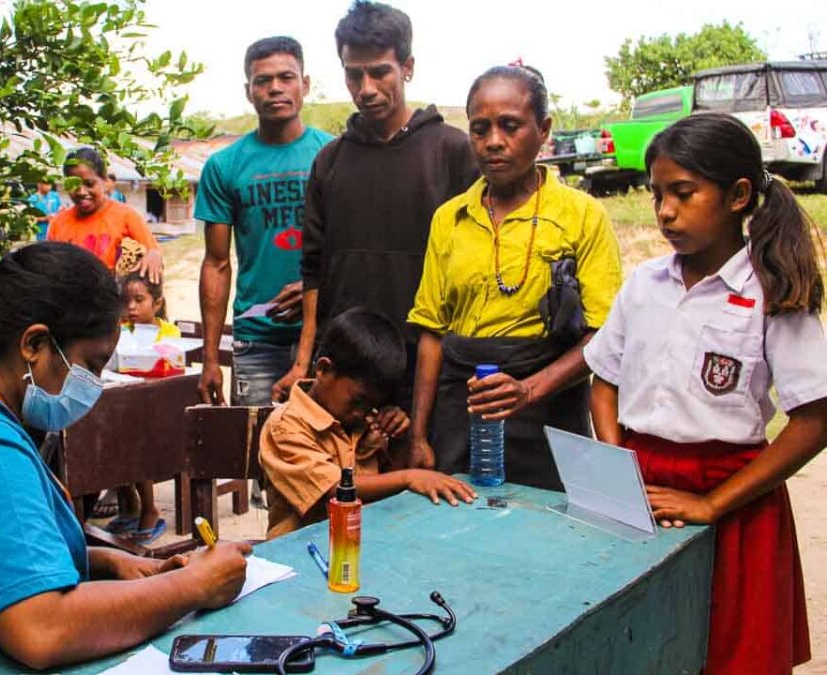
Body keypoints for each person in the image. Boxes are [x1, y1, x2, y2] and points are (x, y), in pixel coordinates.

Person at [0, 242, 250, 672]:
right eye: (90, 366)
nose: (93, 384)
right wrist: (192, 586)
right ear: (34, 344)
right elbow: (41, 628)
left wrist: (102, 561)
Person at [584, 112, 827, 674]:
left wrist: (714, 503)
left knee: (731, 653)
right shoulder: (645, 284)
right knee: (640, 643)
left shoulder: (772, 291)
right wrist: (619, 464)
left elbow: (815, 418)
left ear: (738, 195)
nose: (665, 211)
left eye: (683, 193)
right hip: (643, 489)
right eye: (656, 195)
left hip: (734, 496)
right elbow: (604, 379)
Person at [407, 66, 622, 489]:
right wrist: (419, 434)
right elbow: (431, 333)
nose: (493, 142)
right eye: (480, 129)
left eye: (510, 126)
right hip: (461, 408)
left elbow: (605, 334)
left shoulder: (581, 215)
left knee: (545, 536)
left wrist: (529, 390)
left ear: (543, 130)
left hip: (548, 409)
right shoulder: (450, 219)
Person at [276, 1, 478, 428]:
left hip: (427, 367)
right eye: (353, 74)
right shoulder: (329, 162)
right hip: (348, 374)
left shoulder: (453, 151)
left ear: (407, 67)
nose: (366, 87)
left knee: (420, 484)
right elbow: (313, 271)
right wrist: (304, 361)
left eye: (379, 71)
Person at [196, 36, 334, 409]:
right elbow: (216, 263)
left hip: (327, 337)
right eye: (263, 80)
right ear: (248, 91)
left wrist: (311, 285)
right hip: (258, 338)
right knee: (255, 453)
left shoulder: (335, 155)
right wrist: (210, 359)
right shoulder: (224, 166)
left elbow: (355, 246)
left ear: (305, 84)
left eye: (286, 77)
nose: (275, 88)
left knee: (326, 455)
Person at [259, 307, 475, 539]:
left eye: (370, 405)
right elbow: (333, 491)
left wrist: (399, 438)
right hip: (299, 554)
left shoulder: (362, 422)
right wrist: (410, 477)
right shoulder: (286, 426)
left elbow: (386, 488)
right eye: (357, 401)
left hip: (362, 547)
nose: (361, 413)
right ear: (323, 369)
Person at [103, 272, 182, 540]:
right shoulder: (122, 331)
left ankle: (150, 509)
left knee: (135, 442)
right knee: (112, 437)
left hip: (162, 414)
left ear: (157, 303)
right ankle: (129, 505)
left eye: (139, 300)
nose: (131, 308)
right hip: (129, 407)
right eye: (126, 302)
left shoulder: (168, 334)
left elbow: (171, 370)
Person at [47, 147, 163, 283]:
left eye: (89, 184)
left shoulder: (126, 216)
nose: (81, 192)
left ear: (104, 180)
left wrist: (153, 255)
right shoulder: (58, 224)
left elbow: (153, 252)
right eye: (73, 185)